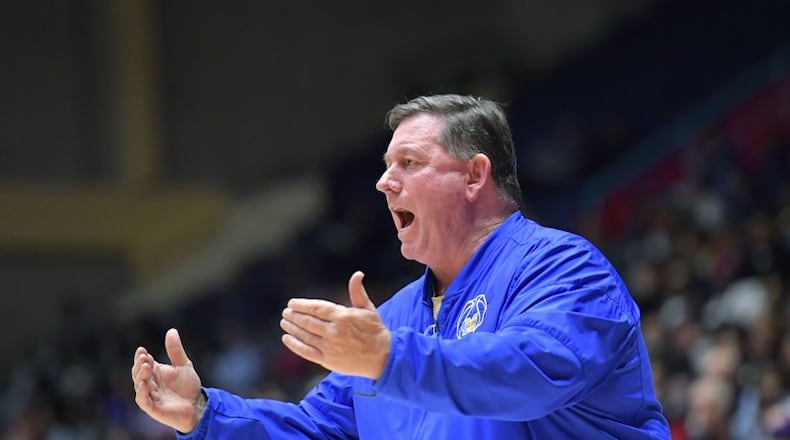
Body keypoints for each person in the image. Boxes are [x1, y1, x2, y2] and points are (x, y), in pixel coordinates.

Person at [131, 94, 671, 439]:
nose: (384, 183)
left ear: (475, 176)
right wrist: (204, 415)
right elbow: (316, 430)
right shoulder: (393, 322)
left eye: (408, 164)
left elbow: (529, 372)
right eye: (386, 166)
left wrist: (389, 357)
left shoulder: (563, 270)